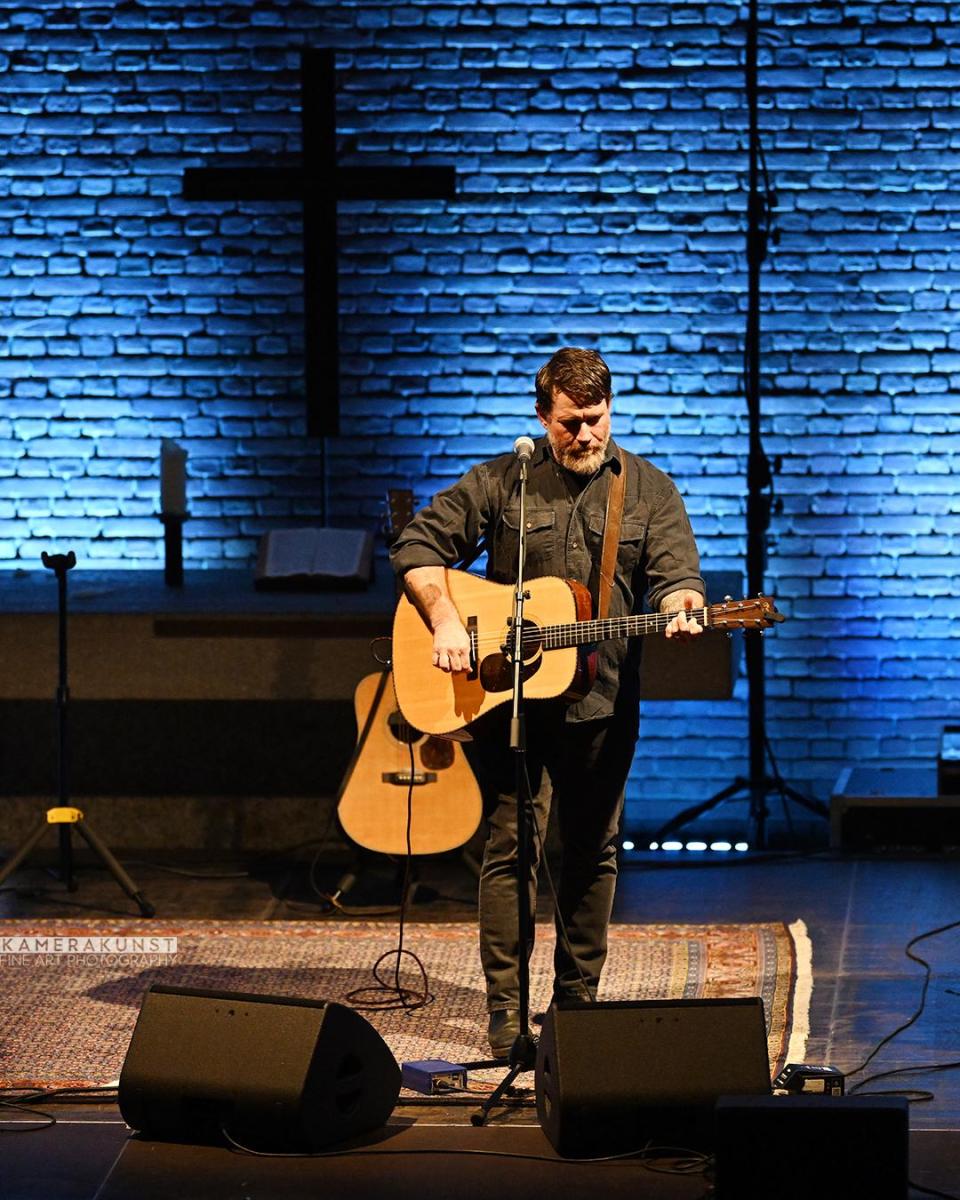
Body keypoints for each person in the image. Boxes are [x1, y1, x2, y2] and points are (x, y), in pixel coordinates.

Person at [389, 347, 705, 1058]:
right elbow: (416, 545)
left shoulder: (648, 490)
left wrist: (683, 604)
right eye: (569, 423)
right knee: (510, 851)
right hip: (511, 706)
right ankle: (506, 1016)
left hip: (602, 701)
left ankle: (575, 1008)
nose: (585, 435)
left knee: (593, 851)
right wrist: (445, 617)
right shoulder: (504, 480)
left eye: (596, 419)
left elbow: (676, 576)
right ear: (541, 416)